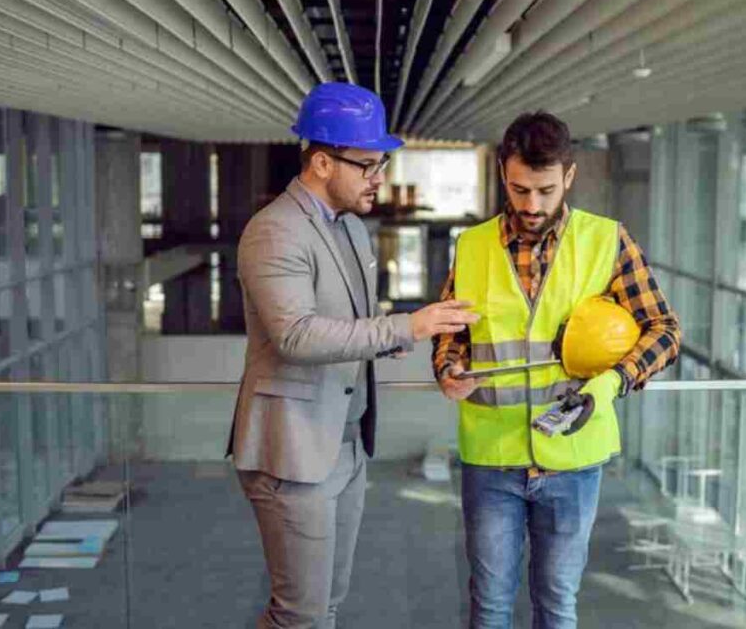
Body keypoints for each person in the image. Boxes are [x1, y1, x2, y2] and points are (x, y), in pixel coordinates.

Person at [228, 82, 479, 629]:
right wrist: (406, 326)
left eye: (381, 164)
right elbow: (296, 336)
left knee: (328, 607)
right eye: (366, 165)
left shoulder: (353, 232)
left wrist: (393, 338)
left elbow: (352, 329)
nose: (378, 178)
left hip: (345, 447)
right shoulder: (274, 231)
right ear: (321, 161)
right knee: (300, 615)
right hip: (294, 451)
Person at [432, 111, 682, 628]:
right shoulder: (472, 246)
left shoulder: (607, 241)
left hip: (573, 458)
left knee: (557, 605)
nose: (531, 205)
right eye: (520, 189)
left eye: (545, 190)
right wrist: (448, 366)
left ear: (568, 176)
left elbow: (664, 330)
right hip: (491, 456)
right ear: (504, 172)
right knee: (490, 606)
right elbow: (450, 331)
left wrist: (611, 383)